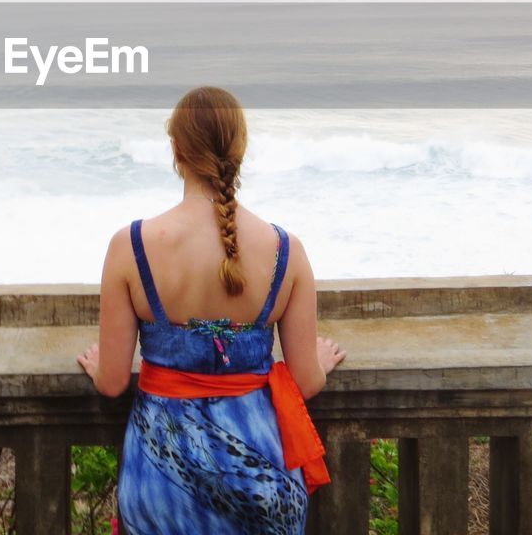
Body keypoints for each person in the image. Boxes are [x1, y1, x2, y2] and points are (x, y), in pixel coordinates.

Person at [77, 86, 346, 535]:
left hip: (161, 481)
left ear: (176, 150)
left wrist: (98, 364)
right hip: (261, 473)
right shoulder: (285, 250)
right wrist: (315, 362)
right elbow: (304, 381)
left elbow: (112, 382)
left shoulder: (132, 245)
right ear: (240, 150)